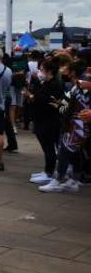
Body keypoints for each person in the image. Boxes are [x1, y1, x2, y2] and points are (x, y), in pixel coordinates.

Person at [39, 60, 89, 193]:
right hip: (79, 123)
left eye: (65, 68)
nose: (62, 70)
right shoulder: (80, 86)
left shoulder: (79, 86)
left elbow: (70, 109)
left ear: (72, 72)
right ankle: (74, 180)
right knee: (74, 152)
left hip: (77, 124)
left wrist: (59, 107)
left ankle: (58, 179)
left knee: (64, 151)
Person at [27, 59, 64, 184]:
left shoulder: (54, 85)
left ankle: (49, 172)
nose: (39, 71)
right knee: (47, 147)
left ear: (49, 71)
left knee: (49, 148)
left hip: (48, 121)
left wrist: (34, 98)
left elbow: (51, 103)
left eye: (41, 69)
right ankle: (47, 171)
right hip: (42, 120)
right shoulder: (46, 83)